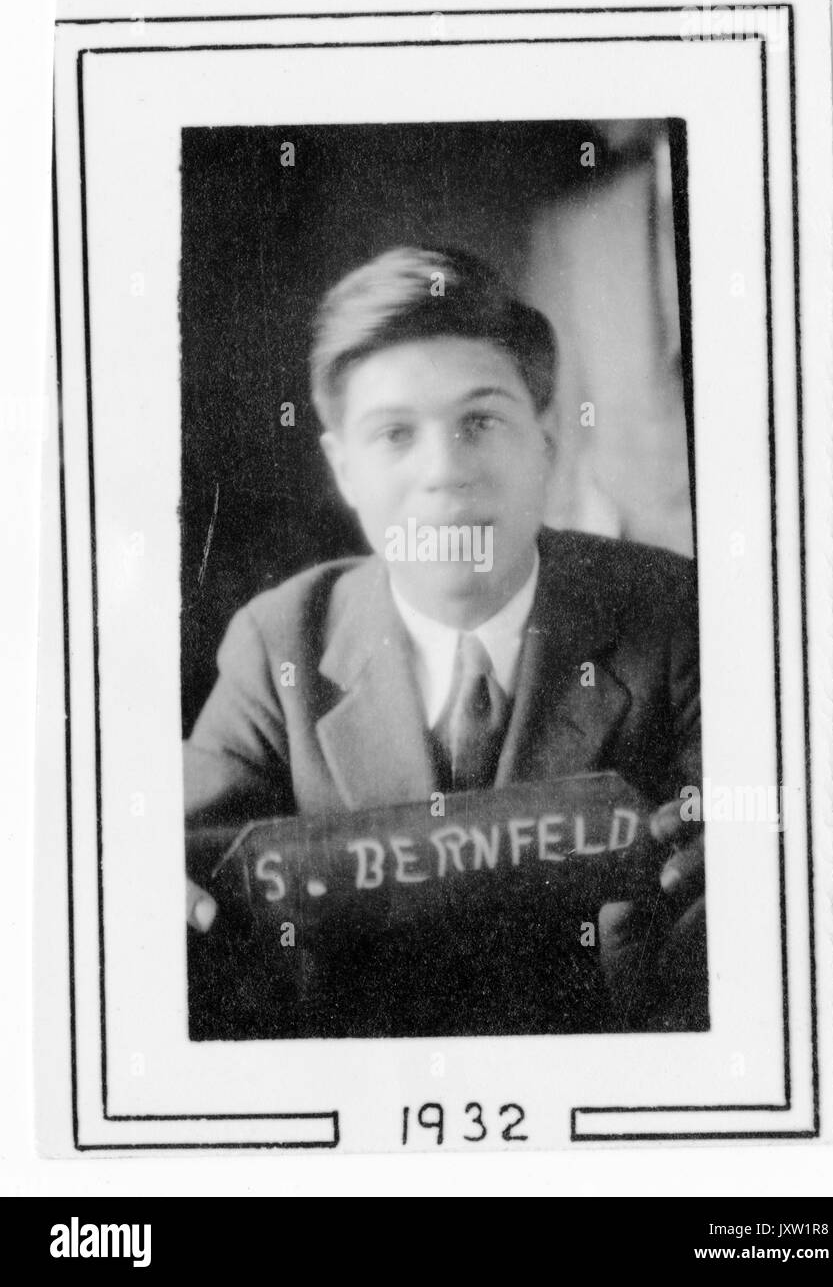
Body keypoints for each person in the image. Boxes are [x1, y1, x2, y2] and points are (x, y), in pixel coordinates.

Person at [184, 245, 706, 1031]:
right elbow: (182, 873)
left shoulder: (676, 616)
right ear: (344, 470)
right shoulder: (276, 644)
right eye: (394, 435)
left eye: (480, 421)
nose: (444, 472)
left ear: (547, 442)